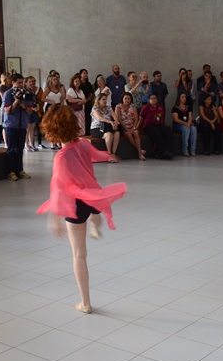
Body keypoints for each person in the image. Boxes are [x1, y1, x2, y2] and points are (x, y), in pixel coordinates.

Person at [37, 105, 127, 314]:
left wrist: (54, 219)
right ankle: (95, 227)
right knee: (95, 216)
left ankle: (85, 303)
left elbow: (58, 188)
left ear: (52, 130)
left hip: (75, 205)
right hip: (91, 196)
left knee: (79, 254)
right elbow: (96, 154)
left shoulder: (61, 157)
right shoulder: (84, 143)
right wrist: (109, 155)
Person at [2, 74, 33, 181]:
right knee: (11, 149)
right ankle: (10, 172)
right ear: (13, 82)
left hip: (22, 125)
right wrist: (16, 101)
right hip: (11, 125)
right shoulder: (8, 94)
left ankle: (19, 170)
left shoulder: (26, 93)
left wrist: (23, 105)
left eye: (22, 82)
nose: (21, 85)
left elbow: (30, 111)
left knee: (20, 149)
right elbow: (7, 111)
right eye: (18, 82)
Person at [139, 94, 174, 160]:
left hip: (159, 124)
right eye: (152, 98)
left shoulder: (161, 106)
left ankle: (169, 151)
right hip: (149, 125)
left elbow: (162, 117)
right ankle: (159, 153)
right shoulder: (146, 107)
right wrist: (138, 129)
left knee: (168, 132)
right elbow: (141, 119)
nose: (154, 100)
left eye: (155, 98)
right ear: (149, 100)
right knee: (157, 134)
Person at [90, 94, 120, 162]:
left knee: (117, 133)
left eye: (106, 99)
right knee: (109, 134)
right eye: (103, 99)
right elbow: (100, 118)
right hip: (97, 128)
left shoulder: (109, 108)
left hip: (107, 127)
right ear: (98, 100)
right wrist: (110, 121)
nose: (105, 101)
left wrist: (115, 122)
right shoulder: (95, 109)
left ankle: (113, 153)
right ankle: (109, 154)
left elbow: (115, 117)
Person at [115, 93, 145, 161]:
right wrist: (126, 129)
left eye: (129, 99)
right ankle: (139, 151)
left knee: (136, 133)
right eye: (125, 98)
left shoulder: (133, 107)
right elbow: (119, 120)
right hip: (123, 127)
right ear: (122, 99)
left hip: (132, 126)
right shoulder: (118, 107)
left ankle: (139, 154)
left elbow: (136, 119)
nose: (127, 100)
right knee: (128, 134)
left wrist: (134, 127)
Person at [42, 73, 65, 150]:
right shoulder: (48, 89)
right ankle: (52, 142)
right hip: (50, 107)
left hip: (58, 106)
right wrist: (50, 100)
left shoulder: (59, 88)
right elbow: (42, 98)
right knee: (51, 125)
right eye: (54, 79)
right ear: (50, 81)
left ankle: (58, 141)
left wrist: (62, 107)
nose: (55, 81)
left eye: (56, 79)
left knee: (58, 125)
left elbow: (62, 98)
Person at [172, 92, 197, 157]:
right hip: (178, 125)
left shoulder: (188, 108)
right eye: (182, 97)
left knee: (193, 129)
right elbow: (176, 119)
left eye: (185, 97)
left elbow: (190, 117)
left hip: (187, 124)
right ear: (179, 98)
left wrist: (188, 123)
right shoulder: (175, 108)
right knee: (186, 129)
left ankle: (193, 149)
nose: (184, 98)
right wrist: (185, 123)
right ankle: (185, 149)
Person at [24, 76, 41, 151]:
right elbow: (25, 103)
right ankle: (26, 144)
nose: (31, 83)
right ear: (26, 83)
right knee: (27, 129)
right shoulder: (24, 92)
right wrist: (31, 108)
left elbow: (36, 101)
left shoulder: (32, 92)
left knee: (32, 128)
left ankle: (32, 144)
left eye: (32, 82)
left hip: (34, 111)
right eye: (30, 82)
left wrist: (37, 106)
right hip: (28, 111)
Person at [79, 69, 94, 135]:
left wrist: (86, 100)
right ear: (80, 74)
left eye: (86, 73)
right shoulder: (78, 84)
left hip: (87, 103)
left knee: (88, 118)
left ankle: (88, 132)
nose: (85, 74)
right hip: (79, 103)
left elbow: (91, 95)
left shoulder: (88, 84)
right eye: (84, 73)